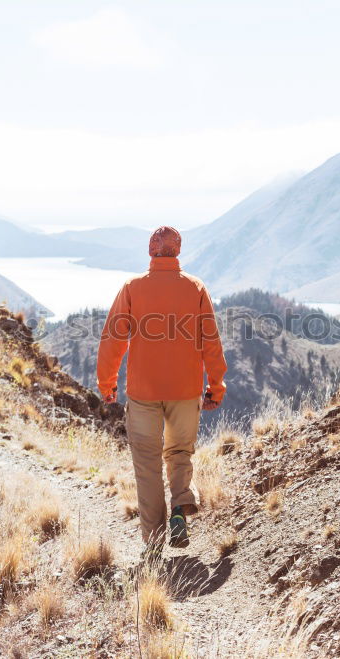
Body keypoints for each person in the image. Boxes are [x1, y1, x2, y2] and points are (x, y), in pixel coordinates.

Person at [96, 226, 227, 561]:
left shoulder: (133, 287)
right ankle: (180, 507)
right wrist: (216, 385)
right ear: (178, 250)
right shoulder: (195, 288)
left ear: (150, 249)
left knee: (147, 463)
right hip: (185, 391)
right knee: (180, 452)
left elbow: (113, 341)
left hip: (143, 393)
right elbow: (210, 341)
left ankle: (153, 540)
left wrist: (107, 384)